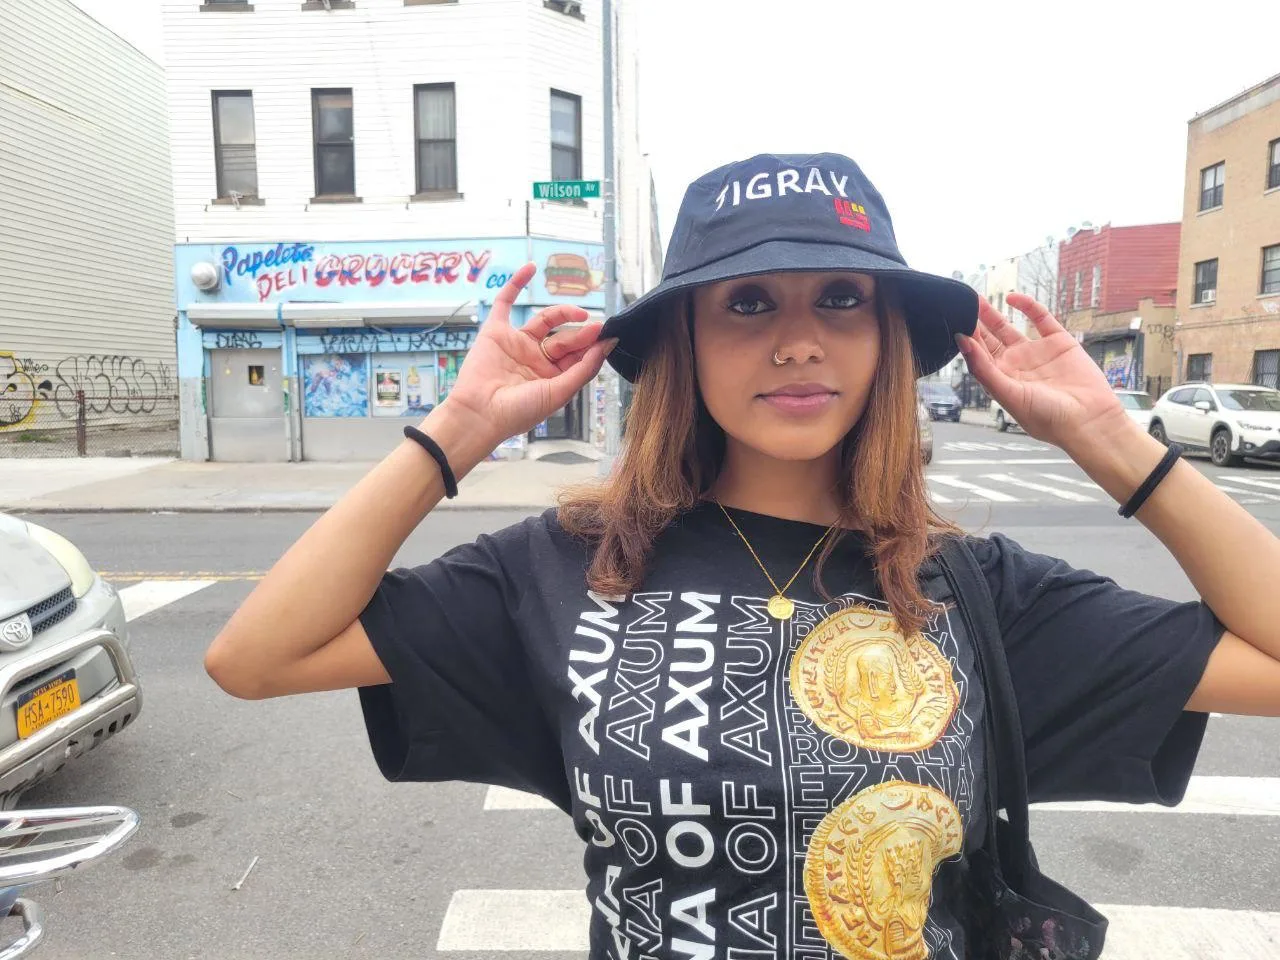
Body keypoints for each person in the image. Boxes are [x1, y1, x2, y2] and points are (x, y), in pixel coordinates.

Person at [205, 153, 1280, 959]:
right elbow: (255, 656)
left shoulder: (970, 589)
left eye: (842, 300)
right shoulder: (569, 568)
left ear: (886, 340)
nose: (798, 339)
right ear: (683, 341)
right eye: (748, 302)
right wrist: (460, 428)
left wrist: (1107, 440)